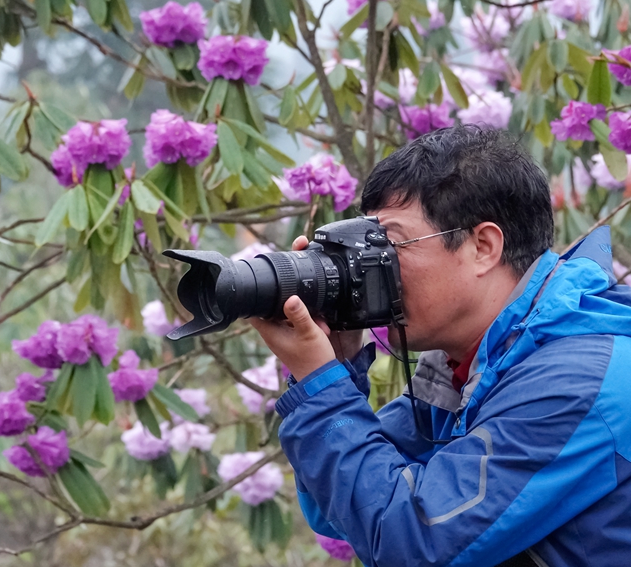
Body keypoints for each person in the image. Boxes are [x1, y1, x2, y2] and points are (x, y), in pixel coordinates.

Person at [251, 125, 631, 566]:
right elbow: (343, 512)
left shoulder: (581, 381)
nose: (371, 269)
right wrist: (339, 365)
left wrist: (323, 390)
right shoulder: (473, 365)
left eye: (388, 245)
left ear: (483, 247)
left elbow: (411, 542)